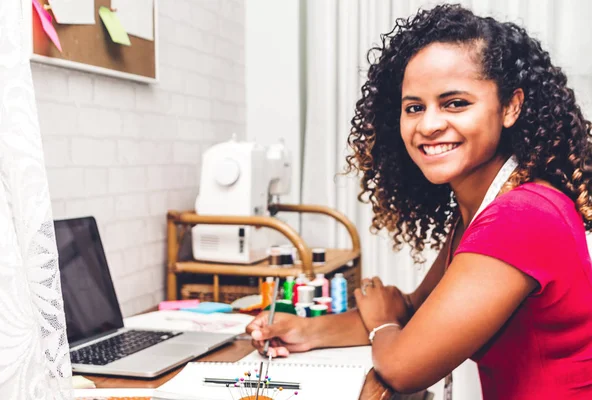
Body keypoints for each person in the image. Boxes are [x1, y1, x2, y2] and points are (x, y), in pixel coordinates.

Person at [246, 3, 592, 399]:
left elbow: (404, 368)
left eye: (455, 103)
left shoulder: (521, 216)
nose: (428, 125)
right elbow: (414, 310)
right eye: (414, 107)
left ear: (510, 106)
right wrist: (304, 332)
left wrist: (379, 321)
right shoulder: (489, 205)